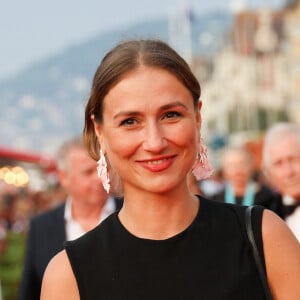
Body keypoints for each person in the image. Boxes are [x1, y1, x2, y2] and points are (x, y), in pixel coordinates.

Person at [41, 39, 300, 300]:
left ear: (197, 118)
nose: (155, 142)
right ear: (100, 133)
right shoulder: (68, 277)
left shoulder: (264, 238)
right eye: (130, 121)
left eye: (171, 115)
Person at [18, 136, 122, 300]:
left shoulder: (132, 213)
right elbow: (30, 290)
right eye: (88, 172)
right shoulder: (41, 226)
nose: (99, 177)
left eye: (103, 167)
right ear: (63, 177)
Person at [261, 122, 300, 241]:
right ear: (268, 173)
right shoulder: (263, 215)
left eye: (294, 159)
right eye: (278, 164)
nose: (288, 172)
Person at [211, 146, 277, 207]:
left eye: (242, 163)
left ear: (251, 166)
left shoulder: (267, 197)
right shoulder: (216, 200)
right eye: (231, 165)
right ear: (224, 169)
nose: (237, 170)